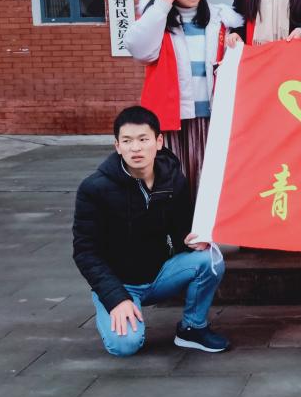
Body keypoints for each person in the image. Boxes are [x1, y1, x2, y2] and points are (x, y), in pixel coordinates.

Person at [72, 106, 228, 357]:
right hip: (120, 284)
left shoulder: (173, 179)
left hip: (160, 275)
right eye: (127, 141)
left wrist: (192, 241)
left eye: (143, 139)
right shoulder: (94, 189)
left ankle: (192, 328)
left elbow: (182, 229)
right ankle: (115, 306)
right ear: (117, 146)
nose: (136, 148)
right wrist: (115, 297)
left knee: (211, 258)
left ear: (158, 142)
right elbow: (85, 252)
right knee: (125, 345)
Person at [125, 0, 241, 198]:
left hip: (210, 116)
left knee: (208, 179)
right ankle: (175, 221)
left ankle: (202, 222)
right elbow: (140, 50)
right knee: (174, 177)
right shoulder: (157, 20)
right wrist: (159, 9)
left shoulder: (220, 20)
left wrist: (235, 42)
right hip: (172, 117)